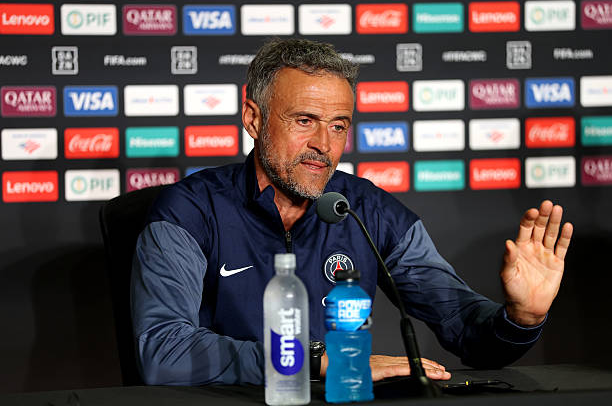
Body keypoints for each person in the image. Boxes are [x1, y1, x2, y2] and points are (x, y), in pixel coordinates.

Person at [131, 38, 573, 386]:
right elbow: (163, 354)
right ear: (253, 118)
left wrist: (522, 319)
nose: (323, 144)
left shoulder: (368, 209)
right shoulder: (190, 210)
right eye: (304, 120)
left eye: (338, 126)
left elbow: (468, 332)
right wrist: (315, 360)